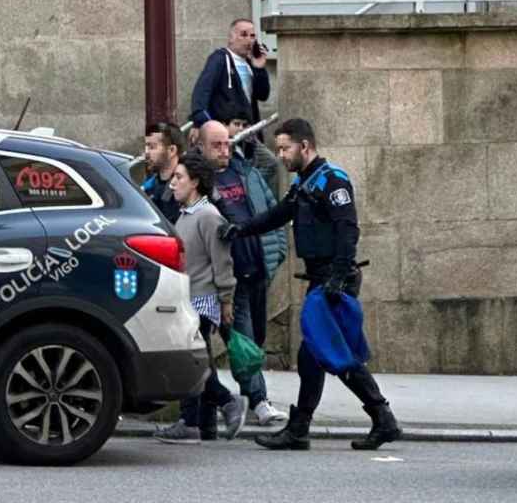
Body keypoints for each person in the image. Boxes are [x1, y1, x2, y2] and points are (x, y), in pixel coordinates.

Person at [220, 118, 402, 451]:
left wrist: (338, 275)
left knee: (331, 352)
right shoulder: (305, 183)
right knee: (314, 355)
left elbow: (348, 230)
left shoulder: (333, 181)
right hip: (322, 278)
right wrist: (241, 228)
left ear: (305, 146)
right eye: (278, 149)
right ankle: (311, 427)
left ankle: (375, 418)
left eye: (285, 148)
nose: (281, 156)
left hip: (334, 280)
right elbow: (277, 215)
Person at [153, 152, 247, 444]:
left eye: (179, 177)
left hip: (202, 300)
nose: (172, 184)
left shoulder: (208, 216)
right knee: (198, 361)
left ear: (195, 182)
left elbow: (222, 260)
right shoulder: (186, 214)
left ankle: (229, 403)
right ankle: (198, 424)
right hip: (188, 298)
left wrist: (226, 299)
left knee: (194, 365)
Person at [198, 121, 288, 426]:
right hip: (229, 278)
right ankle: (260, 401)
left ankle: (251, 399)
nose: (224, 150)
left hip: (259, 269)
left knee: (256, 339)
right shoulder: (200, 182)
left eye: (227, 143)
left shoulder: (246, 171)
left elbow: (271, 211)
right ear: (201, 145)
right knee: (243, 340)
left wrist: (277, 255)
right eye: (217, 145)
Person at [189, 19, 270, 141]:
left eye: (252, 36)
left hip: (247, 131)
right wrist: (201, 122)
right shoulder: (220, 59)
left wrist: (259, 69)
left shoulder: (250, 64)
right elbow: (202, 92)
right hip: (226, 132)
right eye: (243, 34)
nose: (249, 39)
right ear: (231, 37)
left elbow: (263, 95)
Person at [141, 122, 186, 224]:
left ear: (171, 150)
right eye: (146, 147)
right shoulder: (150, 185)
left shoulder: (188, 184)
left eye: (152, 147)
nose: (146, 153)